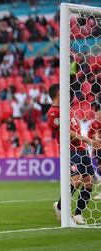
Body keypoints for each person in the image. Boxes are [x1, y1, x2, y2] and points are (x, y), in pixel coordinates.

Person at [47, 84, 101, 224]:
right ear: (58, 94)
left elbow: (75, 128)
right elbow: (67, 133)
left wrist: (89, 140)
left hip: (82, 149)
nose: (67, 94)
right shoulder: (53, 113)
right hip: (69, 150)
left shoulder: (68, 109)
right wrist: (88, 140)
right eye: (63, 92)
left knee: (88, 182)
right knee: (76, 180)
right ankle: (60, 207)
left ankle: (78, 214)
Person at [88, 111, 101, 200]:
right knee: (100, 168)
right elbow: (89, 136)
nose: (97, 116)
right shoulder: (93, 124)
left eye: (99, 114)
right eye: (96, 114)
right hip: (97, 149)